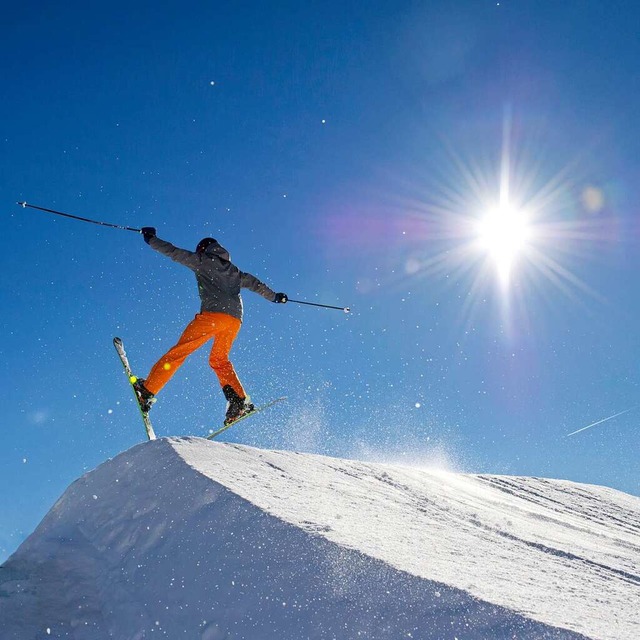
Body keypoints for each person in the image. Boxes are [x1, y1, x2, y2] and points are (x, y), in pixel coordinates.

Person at [134, 227, 288, 425]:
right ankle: (239, 401)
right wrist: (275, 296)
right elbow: (255, 284)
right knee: (219, 360)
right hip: (234, 321)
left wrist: (151, 239)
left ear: (204, 250)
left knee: (179, 352)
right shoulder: (234, 271)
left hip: (213, 317)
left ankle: (147, 391)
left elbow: (174, 252)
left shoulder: (202, 261)